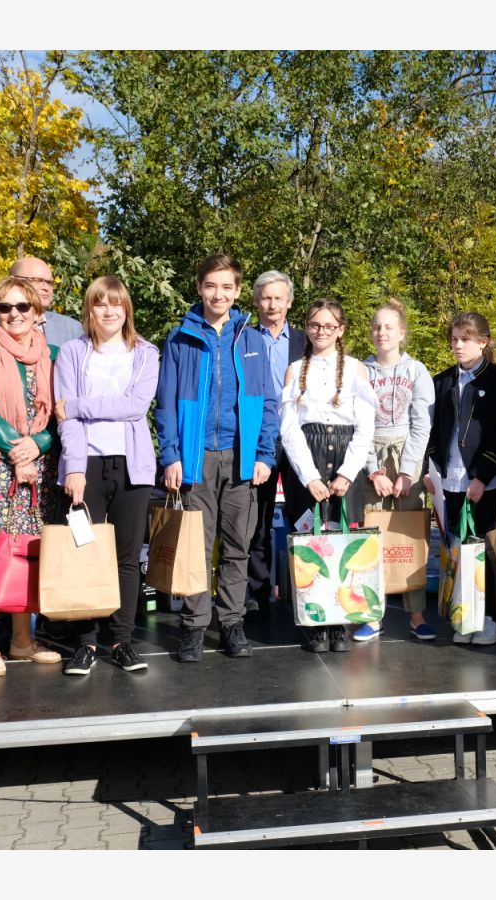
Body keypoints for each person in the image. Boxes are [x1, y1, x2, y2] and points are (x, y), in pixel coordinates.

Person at [155, 253, 278, 662]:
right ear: (199, 288)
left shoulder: (252, 339)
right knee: (196, 548)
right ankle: (193, 627)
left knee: (238, 547)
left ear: (238, 291)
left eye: (227, 287)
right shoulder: (180, 338)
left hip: (241, 459)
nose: (218, 294)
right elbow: (166, 404)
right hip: (196, 460)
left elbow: (268, 402)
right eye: (211, 286)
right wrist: (171, 456)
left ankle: (231, 623)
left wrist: (264, 455)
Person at [54, 277, 160, 675]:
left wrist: (78, 405)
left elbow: (134, 406)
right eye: (101, 304)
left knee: (127, 559)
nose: (109, 311)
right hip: (87, 468)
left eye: (117, 304)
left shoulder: (146, 353)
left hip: (132, 467)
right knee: (84, 553)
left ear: (126, 309)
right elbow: (64, 419)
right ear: (90, 310)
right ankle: (86, 644)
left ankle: (121, 641)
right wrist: (75, 467)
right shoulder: (71, 352)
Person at [0, 276, 63, 676]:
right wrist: (17, 449)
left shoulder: (54, 354)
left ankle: (22, 640)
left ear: (37, 312)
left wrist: (37, 444)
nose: (14, 314)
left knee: (30, 549)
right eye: (5, 307)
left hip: (41, 462)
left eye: (23, 306)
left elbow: (61, 414)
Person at [279, 299, 377, 652]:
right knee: (310, 542)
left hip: (345, 456)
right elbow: (289, 430)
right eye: (314, 325)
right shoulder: (294, 370)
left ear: (341, 330)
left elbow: (366, 427)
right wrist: (309, 476)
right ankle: (315, 621)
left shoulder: (356, 369)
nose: (321, 331)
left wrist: (348, 473)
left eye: (329, 326)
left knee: (342, 540)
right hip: (308, 456)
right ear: (307, 327)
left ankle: (340, 620)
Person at [427, 312, 496, 647]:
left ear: (483, 342)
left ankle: (490, 619)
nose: (458, 345)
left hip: (483, 482)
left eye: (465, 339)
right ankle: (465, 616)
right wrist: (431, 469)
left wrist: (481, 476)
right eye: (454, 339)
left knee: (480, 548)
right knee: (457, 549)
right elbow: (433, 431)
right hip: (449, 480)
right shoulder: (442, 381)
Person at [355, 299, 435, 642]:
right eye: (376, 326)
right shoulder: (361, 371)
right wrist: (374, 470)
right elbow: (358, 423)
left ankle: (417, 615)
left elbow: (422, 424)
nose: (382, 332)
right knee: (372, 535)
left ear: (402, 332)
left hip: (406, 456)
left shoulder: (417, 371)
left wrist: (406, 471)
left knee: (409, 535)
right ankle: (373, 614)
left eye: (389, 327)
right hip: (371, 455)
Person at [245, 270, 307, 615]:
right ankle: (258, 593)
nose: (272, 304)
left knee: (303, 517)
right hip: (259, 441)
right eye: (266, 298)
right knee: (258, 520)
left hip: (298, 440)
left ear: (289, 302)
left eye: (278, 298)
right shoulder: (244, 339)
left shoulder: (304, 341)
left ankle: (306, 591)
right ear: (256, 301)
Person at [0, 256, 84, 384]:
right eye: (37, 280)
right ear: (13, 281)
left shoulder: (72, 328)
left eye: (49, 282)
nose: (46, 288)